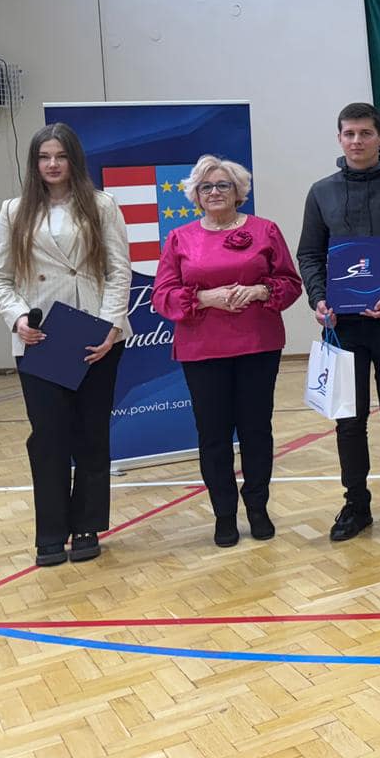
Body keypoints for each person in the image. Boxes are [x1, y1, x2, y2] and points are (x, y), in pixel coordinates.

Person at [0, 124, 131, 567]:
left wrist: (110, 326)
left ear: (74, 160)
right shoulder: (14, 211)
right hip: (42, 338)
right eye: (44, 157)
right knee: (48, 437)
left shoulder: (102, 205)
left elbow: (119, 271)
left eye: (60, 156)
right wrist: (18, 319)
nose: (52, 164)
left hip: (94, 335)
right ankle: (50, 532)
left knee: (91, 434)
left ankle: (87, 525)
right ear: (34, 163)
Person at [153, 156, 301, 548]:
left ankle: (258, 507)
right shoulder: (179, 238)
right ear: (196, 195)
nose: (215, 192)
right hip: (202, 350)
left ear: (238, 192)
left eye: (223, 185)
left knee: (256, 430)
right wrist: (206, 297)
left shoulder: (265, 230)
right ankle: (224, 514)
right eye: (207, 187)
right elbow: (162, 295)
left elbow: (290, 282)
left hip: (258, 345)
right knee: (213, 435)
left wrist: (259, 291)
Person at [296, 102, 380, 541]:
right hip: (343, 327)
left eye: (365, 133)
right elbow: (309, 254)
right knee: (348, 420)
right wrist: (318, 297)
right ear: (339, 138)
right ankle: (356, 504)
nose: (356, 141)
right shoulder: (321, 192)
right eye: (349, 133)